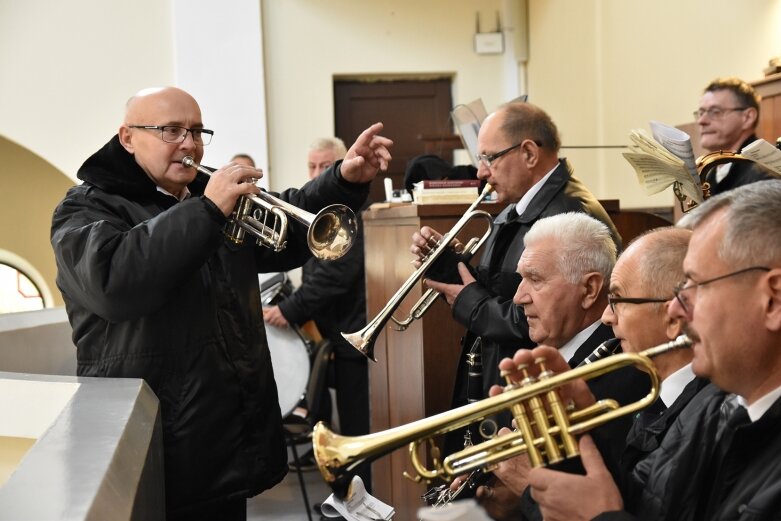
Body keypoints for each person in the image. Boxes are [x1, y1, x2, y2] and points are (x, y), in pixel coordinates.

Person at [49, 86, 392, 521]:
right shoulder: (84, 208)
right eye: (170, 130)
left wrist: (343, 179)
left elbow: (286, 222)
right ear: (127, 137)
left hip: (224, 438)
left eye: (196, 130)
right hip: (158, 443)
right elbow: (115, 284)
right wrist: (208, 211)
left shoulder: (201, 197)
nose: (189, 143)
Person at [516, 180, 781, 521]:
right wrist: (578, 435)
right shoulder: (717, 408)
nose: (676, 310)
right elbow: (652, 507)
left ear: (772, 299)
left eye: (696, 287)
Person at [409, 101, 621, 453]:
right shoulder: (516, 206)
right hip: (499, 375)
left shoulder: (570, 213)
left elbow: (552, 318)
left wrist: (473, 306)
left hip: (531, 384)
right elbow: (505, 289)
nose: (480, 172)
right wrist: (450, 266)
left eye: (489, 158)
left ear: (528, 153)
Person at [472, 212, 645, 521]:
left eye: (535, 279)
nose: (518, 297)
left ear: (590, 289)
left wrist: (528, 490)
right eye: (521, 278)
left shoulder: (624, 374)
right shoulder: (535, 355)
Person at [262, 137, 372, 492]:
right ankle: (343, 494)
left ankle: (360, 500)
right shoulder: (316, 212)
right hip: (328, 333)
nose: (317, 173)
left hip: (353, 333)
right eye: (312, 166)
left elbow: (334, 277)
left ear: (342, 166)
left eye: (326, 166)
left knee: (356, 427)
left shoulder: (348, 213)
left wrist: (288, 309)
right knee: (328, 422)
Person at [600, 226, 707, 483]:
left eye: (617, 300)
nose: (606, 317)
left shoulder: (708, 416)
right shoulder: (655, 397)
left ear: (673, 314)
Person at [695, 77, 775, 195]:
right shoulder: (709, 174)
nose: (701, 121)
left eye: (715, 112)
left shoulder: (767, 173)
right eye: (701, 113)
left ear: (748, 117)